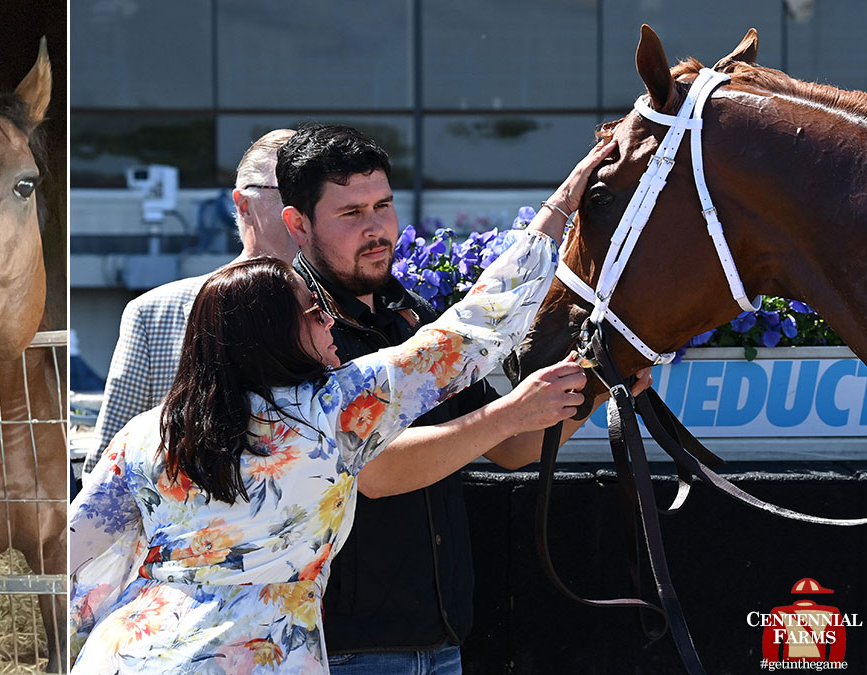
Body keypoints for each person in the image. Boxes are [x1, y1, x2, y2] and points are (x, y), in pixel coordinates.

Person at [68, 138, 615, 673]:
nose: (326, 318)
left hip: (127, 653)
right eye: (309, 312)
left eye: (381, 205)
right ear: (266, 335)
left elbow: (70, 557)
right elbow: (472, 331)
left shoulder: (147, 434)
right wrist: (561, 206)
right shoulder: (330, 411)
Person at [278, 123, 648, 673]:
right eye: (351, 214)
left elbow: (511, 449)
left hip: (443, 640)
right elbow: (374, 471)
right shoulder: (293, 329)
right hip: (341, 652)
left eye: (383, 205)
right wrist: (508, 411)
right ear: (297, 224)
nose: (377, 228)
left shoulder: (414, 318)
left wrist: (597, 386)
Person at [84, 129, 300, 474]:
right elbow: (108, 467)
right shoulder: (154, 315)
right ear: (243, 205)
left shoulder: (350, 311)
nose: (304, 206)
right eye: (289, 191)